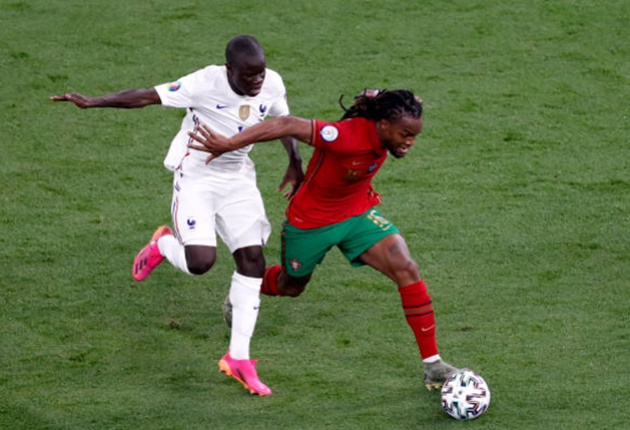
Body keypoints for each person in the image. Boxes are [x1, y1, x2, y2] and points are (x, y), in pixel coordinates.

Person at [51, 35, 304, 396]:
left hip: (237, 180)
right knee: (201, 262)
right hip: (197, 177)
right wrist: (93, 101)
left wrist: (295, 161)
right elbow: (146, 96)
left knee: (253, 261)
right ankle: (163, 244)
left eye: (260, 73)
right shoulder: (204, 82)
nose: (257, 81)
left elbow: (284, 122)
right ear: (229, 70)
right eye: (249, 75)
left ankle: (238, 358)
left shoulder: (272, 83)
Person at [188, 88, 459, 391]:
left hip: (356, 213)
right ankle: (246, 286)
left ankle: (433, 366)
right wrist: (229, 144)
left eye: (414, 135)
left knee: (406, 267)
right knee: (291, 286)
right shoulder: (345, 135)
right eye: (405, 134)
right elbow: (287, 124)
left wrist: (407, 100)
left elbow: (397, 101)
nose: (410, 142)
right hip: (311, 223)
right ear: (383, 125)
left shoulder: (390, 120)